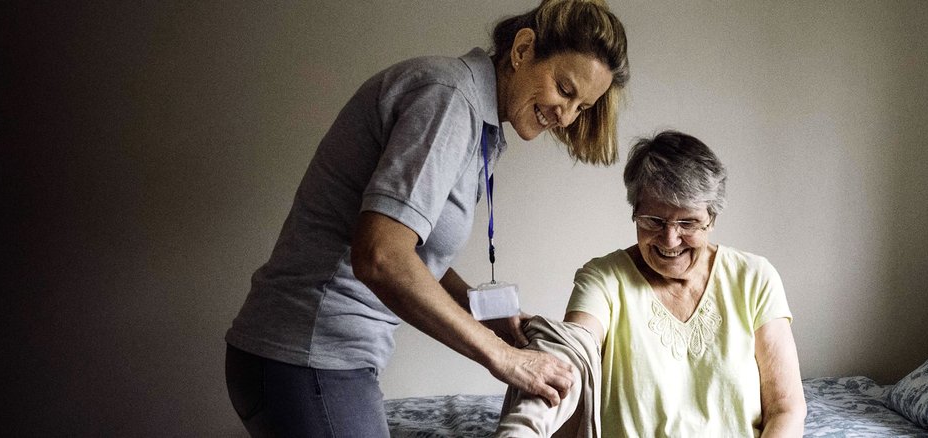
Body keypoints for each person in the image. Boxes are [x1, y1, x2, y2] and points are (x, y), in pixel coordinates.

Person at [223, 1, 629, 435]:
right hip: (308, 354)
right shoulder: (450, 101)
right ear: (523, 49)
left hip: (307, 359)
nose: (566, 116)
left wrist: (480, 309)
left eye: (582, 107)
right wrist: (501, 355)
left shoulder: (474, 119)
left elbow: (406, 249)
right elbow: (380, 256)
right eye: (565, 90)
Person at [564, 131, 807, 437]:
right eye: (653, 220)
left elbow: (786, 409)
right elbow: (573, 355)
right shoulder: (603, 278)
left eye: (688, 223)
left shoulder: (755, 278)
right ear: (635, 213)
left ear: (712, 218)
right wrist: (549, 346)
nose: (669, 239)